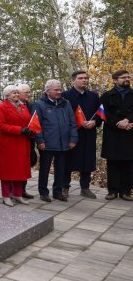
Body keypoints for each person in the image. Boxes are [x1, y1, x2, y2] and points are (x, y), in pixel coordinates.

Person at [33, 79, 78, 203]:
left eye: (60, 89)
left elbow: (72, 122)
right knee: (45, 169)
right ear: (47, 91)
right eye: (56, 90)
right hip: (47, 144)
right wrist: (40, 141)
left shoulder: (66, 103)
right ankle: (43, 192)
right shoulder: (39, 104)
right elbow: (36, 125)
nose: (59, 92)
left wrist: (73, 138)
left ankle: (57, 192)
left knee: (61, 169)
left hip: (64, 143)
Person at [62, 70, 100, 199]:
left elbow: (100, 114)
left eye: (86, 78)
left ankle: (85, 188)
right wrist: (78, 123)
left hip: (89, 133)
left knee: (87, 160)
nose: (84, 80)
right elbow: (62, 115)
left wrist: (95, 122)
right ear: (74, 80)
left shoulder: (93, 96)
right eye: (81, 78)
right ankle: (64, 187)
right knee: (68, 161)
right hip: (72, 133)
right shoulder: (65, 95)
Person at [0, 85, 33, 206]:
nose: (16, 95)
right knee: (7, 171)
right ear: (7, 95)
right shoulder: (2, 107)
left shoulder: (23, 106)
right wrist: (19, 130)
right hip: (8, 143)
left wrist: (31, 129)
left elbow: (28, 121)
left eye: (17, 92)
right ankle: (6, 196)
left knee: (20, 170)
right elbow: (0, 125)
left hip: (22, 142)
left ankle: (18, 194)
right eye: (13, 93)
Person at [100, 69, 133, 201]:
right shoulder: (106, 96)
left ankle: (126, 191)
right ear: (115, 80)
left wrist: (128, 121)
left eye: (128, 77)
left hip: (130, 133)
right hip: (113, 133)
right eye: (123, 77)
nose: (127, 79)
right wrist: (118, 123)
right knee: (112, 162)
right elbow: (103, 113)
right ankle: (112, 191)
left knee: (129, 163)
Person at [17, 83, 36, 199]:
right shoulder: (14, 106)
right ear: (18, 94)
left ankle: (22, 189)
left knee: (26, 166)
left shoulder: (31, 105)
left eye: (29, 92)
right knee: (17, 166)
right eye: (26, 92)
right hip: (18, 140)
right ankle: (13, 190)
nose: (29, 94)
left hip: (30, 140)